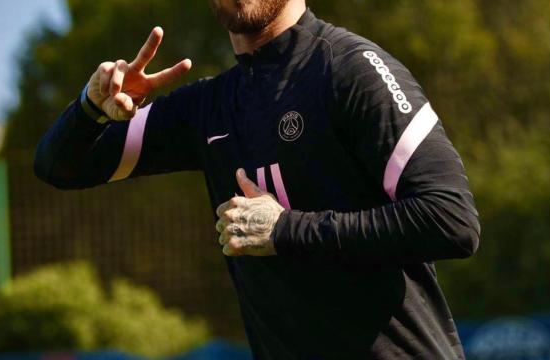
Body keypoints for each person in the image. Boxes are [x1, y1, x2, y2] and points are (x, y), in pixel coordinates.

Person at [34, 0, 480, 358]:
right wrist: (91, 108)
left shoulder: (351, 68)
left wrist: (287, 230)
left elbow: (451, 218)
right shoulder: (208, 107)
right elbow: (60, 167)